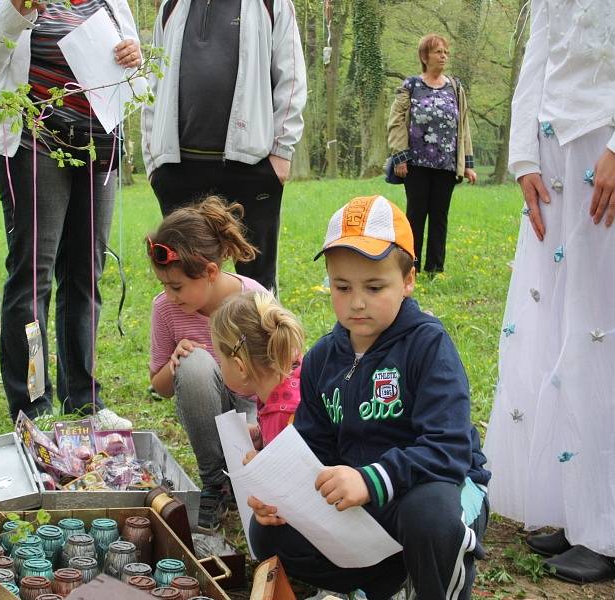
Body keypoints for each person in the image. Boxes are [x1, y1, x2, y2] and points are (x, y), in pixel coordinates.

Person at [247, 196, 491, 599]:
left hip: (433, 488)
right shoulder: (324, 357)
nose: (357, 302)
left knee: (429, 519)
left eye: (375, 287)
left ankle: (434, 585)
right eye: (342, 287)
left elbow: (448, 450)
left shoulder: (428, 345)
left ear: (408, 280)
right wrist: (275, 479)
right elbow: (314, 446)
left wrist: (371, 478)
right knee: (267, 533)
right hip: (366, 499)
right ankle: (387, 581)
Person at [482, 0, 615, 584]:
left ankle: (608, 525)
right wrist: (523, 156)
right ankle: (573, 507)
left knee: (601, 328)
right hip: (553, 148)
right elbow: (539, 51)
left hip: (606, 143)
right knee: (557, 326)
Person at [0, 0, 138, 427]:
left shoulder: (110, 3)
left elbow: (131, 71)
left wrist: (133, 56)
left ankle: (85, 402)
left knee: (86, 274)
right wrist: (15, 9)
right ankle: (32, 406)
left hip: (96, 147)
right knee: (33, 277)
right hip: (33, 142)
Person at [140, 0, 307, 293]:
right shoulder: (171, 6)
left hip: (250, 165)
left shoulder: (272, 4)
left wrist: (281, 152)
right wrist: (153, 160)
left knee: (257, 286)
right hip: (179, 168)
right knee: (187, 281)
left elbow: (291, 78)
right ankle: (192, 340)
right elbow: (152, 84)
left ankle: (258, 340)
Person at [147, 196, 266, 529]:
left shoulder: (253, 301)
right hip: (209, 412)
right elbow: (160, 387)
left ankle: (250, 474)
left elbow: (284, 379)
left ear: (211, 272)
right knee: (194, 363)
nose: (170, 295)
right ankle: (216, 483)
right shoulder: (165, 309)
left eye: (177, 286)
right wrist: (175, 363)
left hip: (255, 416)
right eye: (164, 286)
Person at [387, 33, 477, 275]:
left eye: (445, 52)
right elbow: (396, 121)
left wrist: (467, 163)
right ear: (425, 56)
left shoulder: (455, 88)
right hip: (416, 164)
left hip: (446, 165)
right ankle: (410, 267)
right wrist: (400, 156)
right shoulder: (411, 86)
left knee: (440, 217)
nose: (443, 56)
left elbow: (464, 126)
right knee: (415, 215)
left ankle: (435, 268)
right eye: (438, 52)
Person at [210, 291, 304, 449]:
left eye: (221, 360)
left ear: (240, 367)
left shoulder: (282, 415)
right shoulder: (287, 373)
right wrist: (262, 435)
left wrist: (259, 462)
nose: (220, 367)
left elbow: (289, 471)